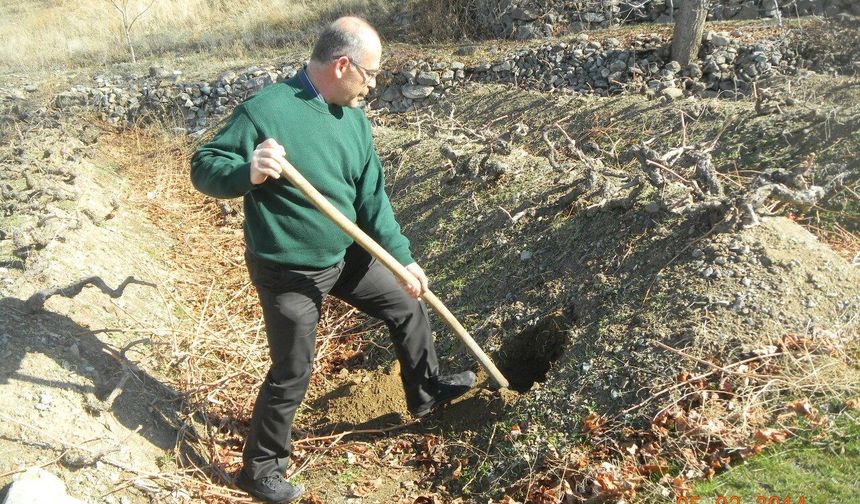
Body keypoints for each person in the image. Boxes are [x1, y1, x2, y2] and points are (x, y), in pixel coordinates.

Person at [190, 16, 476, 503]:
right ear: (343, 66)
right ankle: (260, 470)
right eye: (371, 74)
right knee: (293, 368)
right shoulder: (265, 111)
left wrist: (403, 260)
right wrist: (249, 171)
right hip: (288, 269)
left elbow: (373, 202)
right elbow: (204, 166)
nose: (374, 85)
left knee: (407, 306)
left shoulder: (356, 122)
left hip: (343, 256)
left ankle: (425, 392)